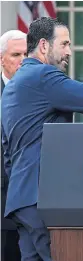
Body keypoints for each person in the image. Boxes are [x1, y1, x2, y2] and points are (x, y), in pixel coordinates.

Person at [1, 17, 83, 261]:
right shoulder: (44, 76)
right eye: (65, 44)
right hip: (44, 199)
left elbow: (7, 150)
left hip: (23, 199)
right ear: (43, 46)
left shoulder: (13, 84)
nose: (69, 51)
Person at [0, 29, 26, 261]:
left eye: (27, 55)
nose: (22, 61)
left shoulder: (40, 90)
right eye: (16, 55)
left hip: (31, 196)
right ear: (1, 60)